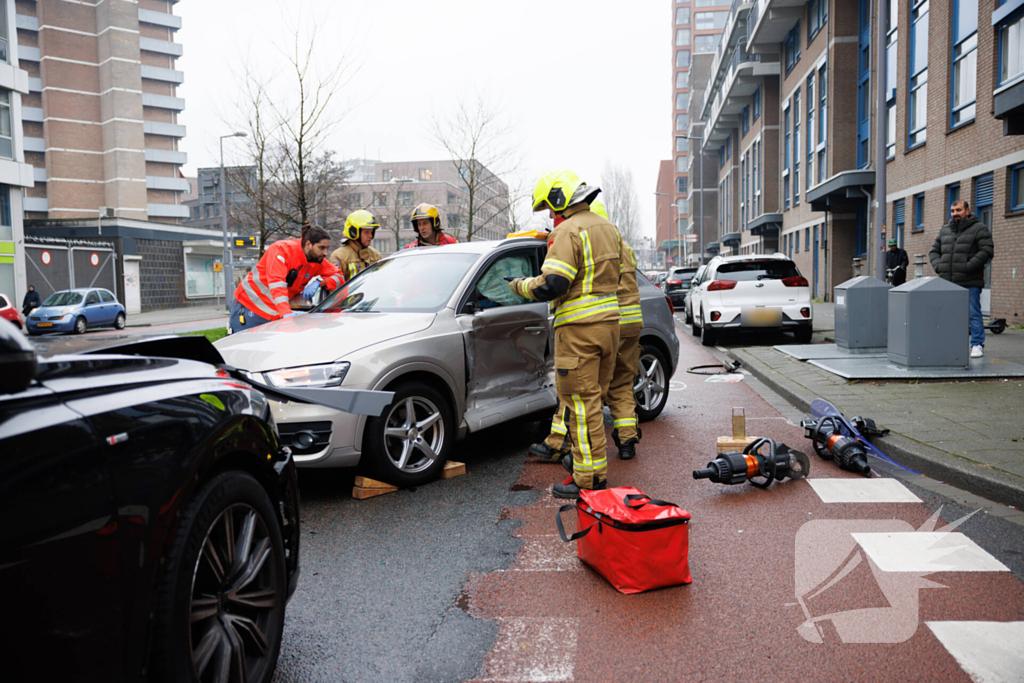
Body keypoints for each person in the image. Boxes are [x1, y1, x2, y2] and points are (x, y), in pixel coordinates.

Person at [508, 169, 621, 498]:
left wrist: (519, 285)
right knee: (594, 402)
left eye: (550, 209)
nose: (551, 217)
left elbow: (553, 284)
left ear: (560, 200)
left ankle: (589, 478)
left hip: (579, 332)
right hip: (608, 328)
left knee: (581, 407)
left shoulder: (567, 231)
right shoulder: (607, 228)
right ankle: (587, 464)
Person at [528, 198, 644, 464]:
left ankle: (562, 444)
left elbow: (563, 281)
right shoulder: (622, 246)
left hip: (601, 322)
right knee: (622, 385)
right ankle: (627, 440)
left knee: (580, 393)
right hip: (629, 324)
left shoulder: (584, 241)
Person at [230, 224, 345, 334]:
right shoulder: (281, 250)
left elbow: (339, 277)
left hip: (275, 312)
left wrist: (320, 282)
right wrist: (286, 314)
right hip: (249, 307)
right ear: (308, 244)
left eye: (327, 248)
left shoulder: (317, 260)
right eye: (322, 248)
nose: (325, 253)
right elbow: (277, 284)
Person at [929, 199, 994, 359]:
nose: (955, 214)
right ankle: (949, 344)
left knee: (973, 314)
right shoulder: (945, 230)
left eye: (958, 210)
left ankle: (977, 345)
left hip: (969, 281)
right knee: (947, 315)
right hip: (947, 282)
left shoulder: (979, 229)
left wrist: (967, 267)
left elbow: (986, 251)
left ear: (967, 210)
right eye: (952, 211)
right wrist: (939, 266)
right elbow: (934, 251)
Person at [330, 210, 383, 279]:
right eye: (366, 232)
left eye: (371, 232)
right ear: (354, 232)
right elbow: (333, 286)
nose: (370, 236)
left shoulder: (375, 255)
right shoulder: (340, 256)